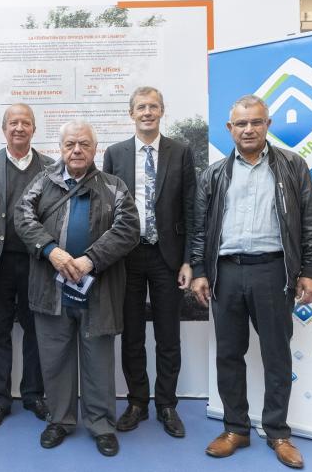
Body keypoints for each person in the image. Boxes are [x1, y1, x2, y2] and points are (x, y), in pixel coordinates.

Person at [190, 95, 312, 469]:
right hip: (227, 273)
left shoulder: (293, 166)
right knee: (229, 354)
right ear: (229, 129)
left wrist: (310, 270)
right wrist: (200, 271)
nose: (248, 129)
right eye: (241, 124)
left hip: (274, 271)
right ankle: (235, 429)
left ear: (268, 125)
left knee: (276, 356)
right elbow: (200, 230)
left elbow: (311, 223)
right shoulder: (214, 173)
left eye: (256, 122)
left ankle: (278, 432)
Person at [15, 121, 139, 457]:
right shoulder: (43, 181)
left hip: (99, 291)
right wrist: (50, 250)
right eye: (70, 144)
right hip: (50, 290)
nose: (77, 150)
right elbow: (22, 216)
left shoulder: (114, 186)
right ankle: (60, 421)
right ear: (60, 148)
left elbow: (129, 228)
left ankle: (101, 425)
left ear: (95, 149)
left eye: (84, 144)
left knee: (98, 361)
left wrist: (90, 260)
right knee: (54, 360)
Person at [102, 86, 196, 437]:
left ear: (162, 111)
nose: (147, 112)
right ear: (131, 113)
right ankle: (138, 401)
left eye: (153, 106)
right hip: (127, 257)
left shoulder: (181, 152)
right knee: (132, 335)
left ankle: (167, 405)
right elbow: (106, 210)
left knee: (169, 335)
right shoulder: (115, 154)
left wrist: (189, 261)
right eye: (141, 107)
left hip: (168, 257)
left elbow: (191, 209)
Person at [0, 103, 54, 429]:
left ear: (33, 129)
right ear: (4, 129)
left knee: (37, 333)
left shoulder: (49, 168)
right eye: (13, 122)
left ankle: (34, 395)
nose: (19, 128)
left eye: (25, 123)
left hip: (37, 265)